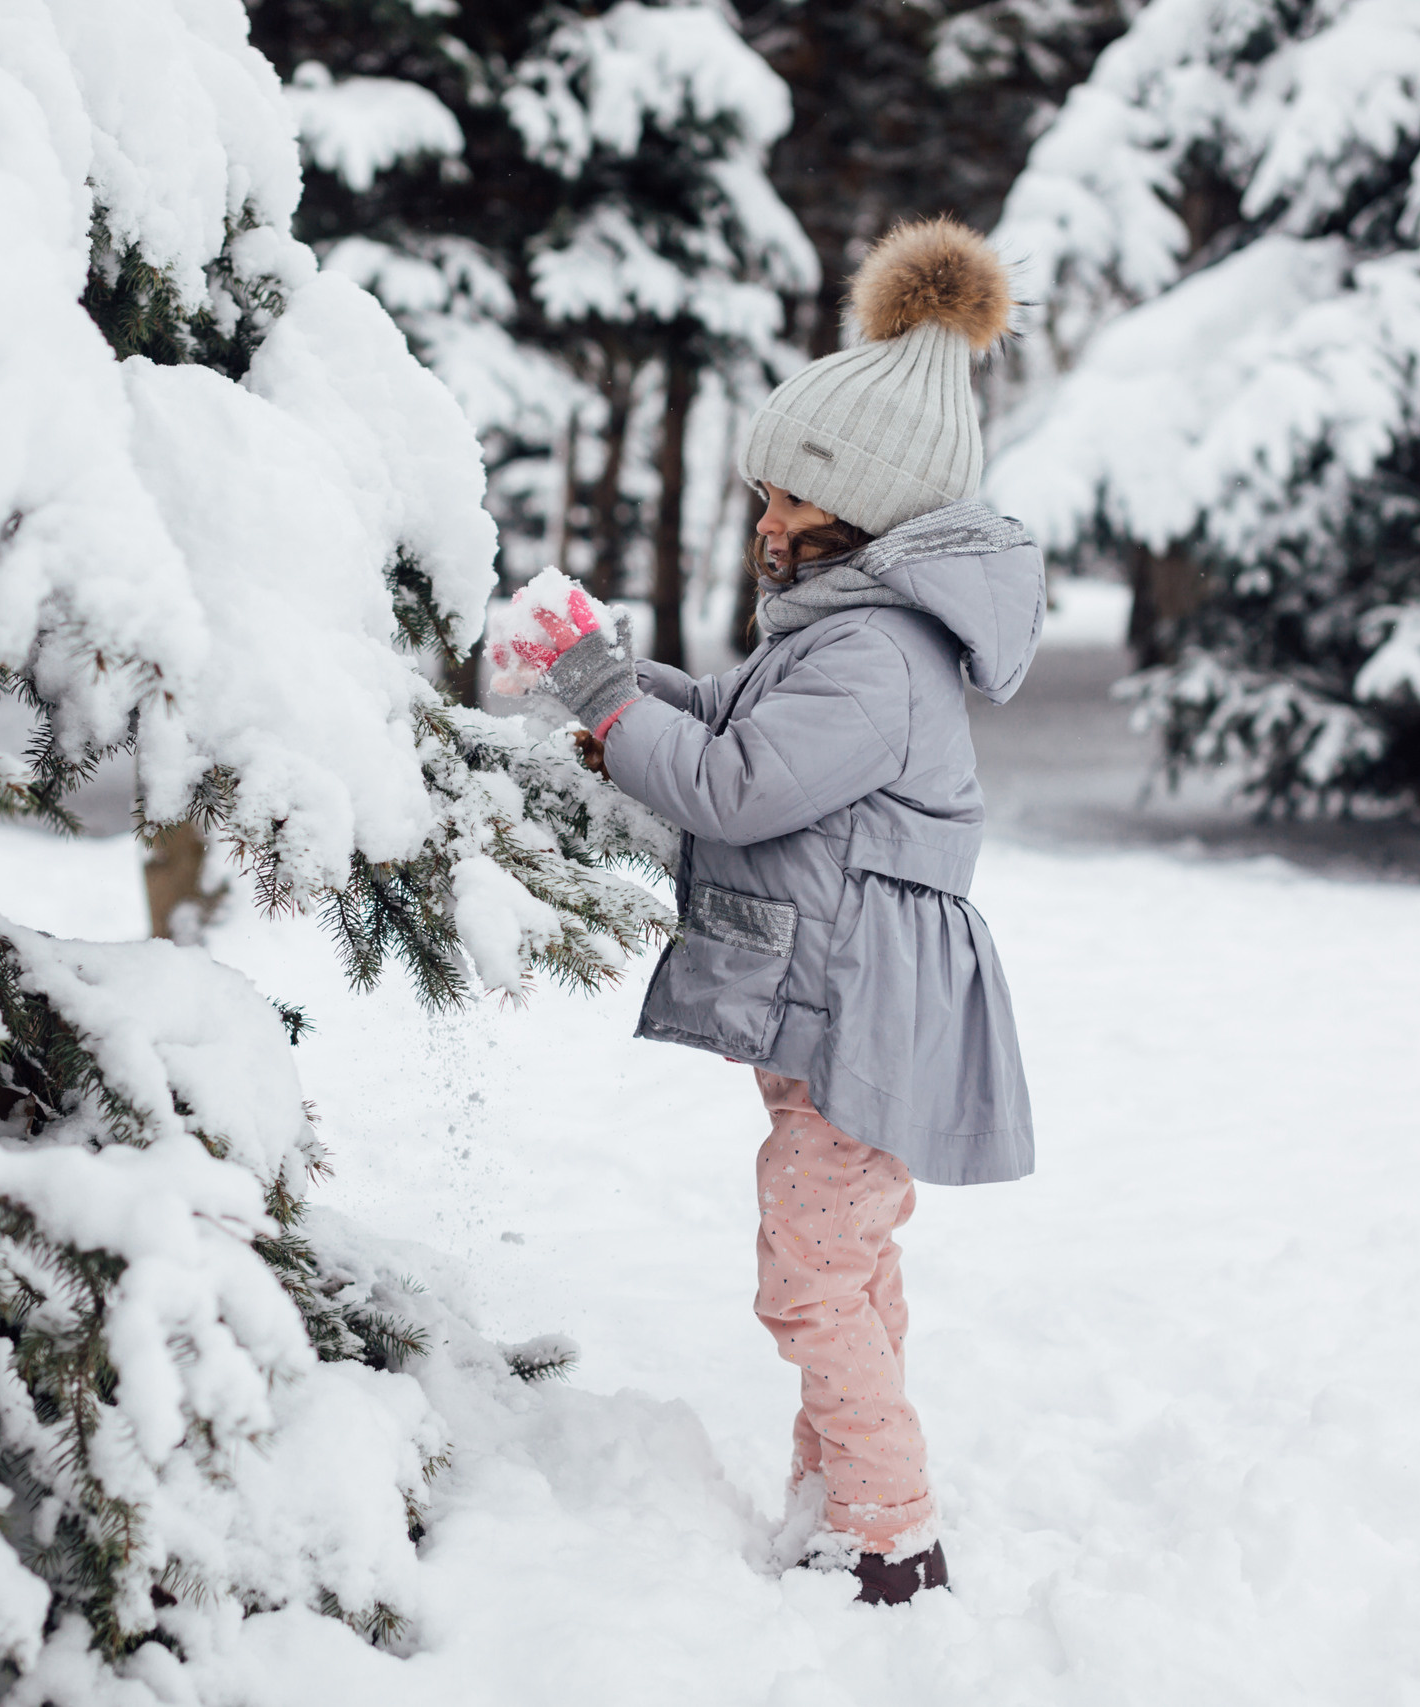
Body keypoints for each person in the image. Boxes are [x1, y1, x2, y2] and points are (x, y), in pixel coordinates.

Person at [520, 217, 1039, 1607]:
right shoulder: (844, 635)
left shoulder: (874, 656)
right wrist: (616, 679)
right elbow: (732, 719)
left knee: (810, 1273)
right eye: (764, 494)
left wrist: (603, 704)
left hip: (863, 1017)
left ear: (863, 514)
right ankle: (838, 1496)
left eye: (790, 501)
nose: (765, 523)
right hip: (844, 1005)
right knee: (842, 1263)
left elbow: (737, 786)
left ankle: (889, 1534)